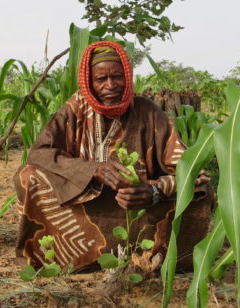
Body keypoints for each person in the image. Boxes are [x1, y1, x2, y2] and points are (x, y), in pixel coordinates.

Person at [13, 40, 213, 272]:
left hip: (138, 204)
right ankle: (58, 257)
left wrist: (155, 191)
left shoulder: (148, 112)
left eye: (117, 77)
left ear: (127, 76)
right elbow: (40, 153)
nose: (110, 85)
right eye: (101, 79)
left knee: (202, 192)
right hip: (84, 200)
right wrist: (93, 170)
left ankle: (162, 257)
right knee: (28, 176)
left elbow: (192, 168)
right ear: (89, 81)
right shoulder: (75, 108)